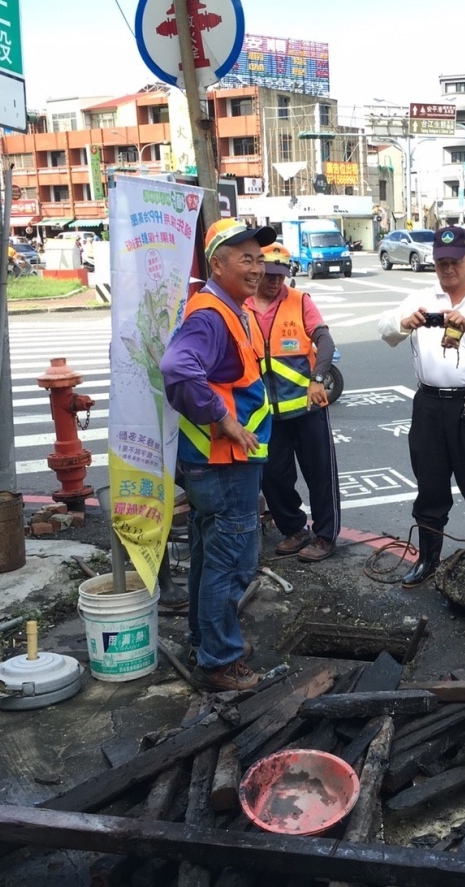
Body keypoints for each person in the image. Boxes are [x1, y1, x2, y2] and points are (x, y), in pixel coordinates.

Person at [160, 218, 275, 693]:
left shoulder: (231, 309)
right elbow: (177, 367)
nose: (256, 267)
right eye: (245, 258)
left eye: (259, 257)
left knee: (210, 557)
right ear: (218, 263)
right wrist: (224, 420)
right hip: (224, 462)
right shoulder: (210, 314)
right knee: (231, 561)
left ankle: (206, 641)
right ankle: (219, 662)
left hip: (219, 463)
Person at [379, 225, 465, 584]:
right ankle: (428, 559)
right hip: (429, 404)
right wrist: (406, 323)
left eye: (455, 261)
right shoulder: (422, 297)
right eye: (441, 262)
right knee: (430, 482)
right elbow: (385, 331)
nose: (448, 269)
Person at [247, 243, 340, 563]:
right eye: (270, 275)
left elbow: (324, 340)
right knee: (273, 477)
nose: (275, 282)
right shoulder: (241, 306)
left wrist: (318, 378)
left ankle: (326, 536)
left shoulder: (300, 301)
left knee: (320, 476)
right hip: (265, 413)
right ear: (257, 271)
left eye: (281, 276)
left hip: (307, 408)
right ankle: (295, 529)